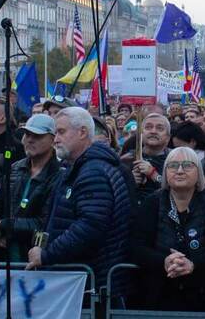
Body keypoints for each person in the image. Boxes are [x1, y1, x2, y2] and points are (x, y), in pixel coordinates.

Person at [25, 107, 134, 305]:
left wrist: (48, 254)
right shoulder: (79, 168)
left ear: (82, 132)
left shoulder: (93, 172)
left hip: (91, 283)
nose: (55, 139)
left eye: (61, 132)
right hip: (80, 280)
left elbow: (90, 226)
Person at [131, 146, 205, 311]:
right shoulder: (152, 203)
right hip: (156, 294)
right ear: (165, 173)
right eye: (172, 166)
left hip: (201, 294)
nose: (179, 171)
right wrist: (164, 261)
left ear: (198, 172)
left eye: (187, 165)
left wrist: (193, 265)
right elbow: (137, 247)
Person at [0, 114, 62, 261]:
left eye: (37, 135)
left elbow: (46, 222)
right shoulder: (15, 168)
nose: (30, 139)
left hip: (36, 257)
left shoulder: (60, 174)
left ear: (53, 139)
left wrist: (5, 225)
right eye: (27, 134)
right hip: (5, 253)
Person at [123, 113, 171, 203]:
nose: (153, 131)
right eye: (148, 127)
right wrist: (130, 181)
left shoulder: (175, 159)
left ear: (168, 137)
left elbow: (180, 190)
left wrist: (154, 175)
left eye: (159, 128)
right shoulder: (127, 159)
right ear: (141, 134)